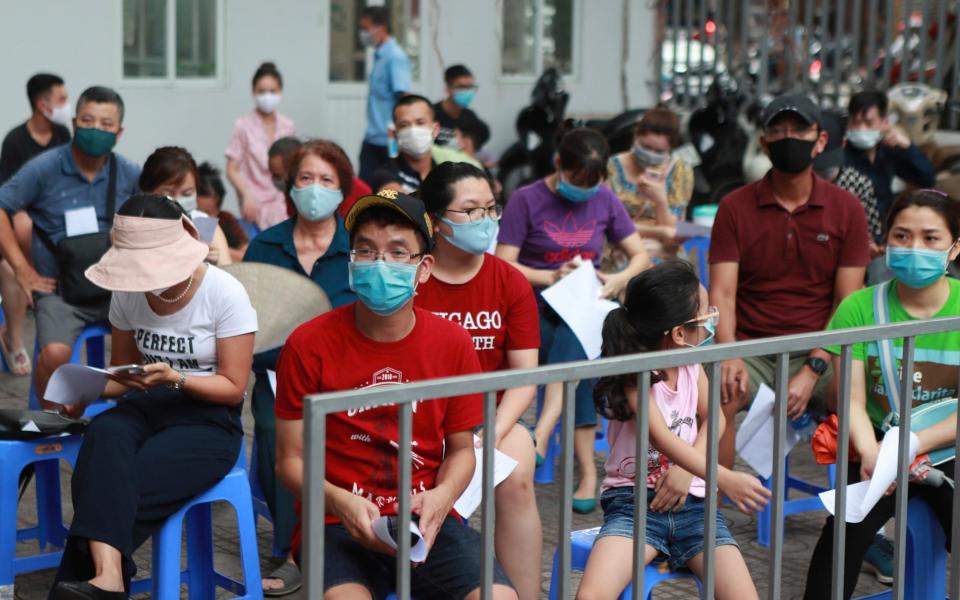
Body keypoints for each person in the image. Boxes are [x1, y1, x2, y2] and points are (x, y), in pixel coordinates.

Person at [274, 189, 517, 600]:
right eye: (366, 251)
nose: (379, 264)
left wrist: (442, 497)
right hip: (334, 523)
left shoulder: (452, 343)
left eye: (398, 252)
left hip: (423, 522)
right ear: (351, 263)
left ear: (424, 268)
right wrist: (337, 501)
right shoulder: (307, 343)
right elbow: (289, 460)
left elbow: (462, 450)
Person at [49, 194, 257, 599]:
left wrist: (177, 378)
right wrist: (85, 388)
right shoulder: (127, 292)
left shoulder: (224, 293)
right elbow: (124, 372)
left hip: (210, 417)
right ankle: (107, 577)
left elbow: (233, 388)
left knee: (113, 482)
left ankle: (97, 583)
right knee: (104, 432)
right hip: (149, 402)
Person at [577, 262, 770, 600]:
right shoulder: (635, 375)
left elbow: (717, 418)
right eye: (706, 312)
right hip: (634, 505)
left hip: (694, 506)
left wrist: (685, 470)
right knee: (590, 596)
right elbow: (660, 438)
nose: (713, 317)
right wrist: (724, 478)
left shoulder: (691, 363)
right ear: (679, 333)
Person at [802, 189, 960, 600]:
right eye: (902, 236)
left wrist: (915, 444)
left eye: (931, 238)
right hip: (877, 446)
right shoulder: (858, 308)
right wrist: (873, 452)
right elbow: (851, 400)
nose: (914, 248)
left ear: (955, 247)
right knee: (842, 539)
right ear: (885, 241)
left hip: (947, 448)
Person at [709, 93, 870, 470]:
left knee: (854, 393)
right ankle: (712, 507)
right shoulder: (734, 206)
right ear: (763, 143)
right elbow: (723, 292)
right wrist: (728, 351)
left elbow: (847, 304)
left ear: (821, 141)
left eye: (799, 129)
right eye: (778, 130)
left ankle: (853, 516)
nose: (789, 137)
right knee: (717, 393)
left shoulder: (847, 209)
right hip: (750, 346)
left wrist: (812, 369)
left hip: (820, 347)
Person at [496, 127, 651, 513]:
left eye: (593, 183)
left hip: (588, 303)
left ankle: (544, 431)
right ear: (558, 165)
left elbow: (640, 257)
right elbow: (503, 263)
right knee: (581, 355)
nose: (586, 190)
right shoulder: (526, 199)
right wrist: (550, 276)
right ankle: (587, 473)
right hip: (538, 304)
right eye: (578, 180)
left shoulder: (605, 199)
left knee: (581, 337)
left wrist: (617, 278)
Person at [415, 163, 541, 600]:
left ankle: (524, 594)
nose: (485, 220)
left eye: (491, 208)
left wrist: (493, 429)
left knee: (518, 475)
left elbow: (525, 377)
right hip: (424, 419)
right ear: (435, 220)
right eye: (470, 210)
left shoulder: (509, 281)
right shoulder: (413, 280)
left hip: (491, 415)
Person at [243, 139, 357, 596]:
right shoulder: (265, 247)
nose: (315, 189)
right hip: (279, 374)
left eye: (326, 180)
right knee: (273, 429)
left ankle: (346, 535)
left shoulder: (358, 247)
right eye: (305, 179)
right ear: (289, 187)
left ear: (342, 189)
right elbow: (248, 328)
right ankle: (296, 550)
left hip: (350, 378)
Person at [0, 86, 140, 402]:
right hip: (61, 292)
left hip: (116, 289)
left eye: (106, 124)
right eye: (88, 120)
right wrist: (21, 268)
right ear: (75, 123)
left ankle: (119, 418)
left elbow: (162, 208)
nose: (96, 130)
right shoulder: (45, 168)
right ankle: (51, 430)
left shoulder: (129, 172)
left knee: (142, 354)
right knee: (54, 355)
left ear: (119, 133)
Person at [0, 73, 72, 376]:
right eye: (62, 100)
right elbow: (10, 200)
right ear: (43, 105)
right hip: (24, 219)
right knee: (23, 227)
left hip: (56, 217)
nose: (68, 106)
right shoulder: (16, 141)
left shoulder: (63, 136)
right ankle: (15, 338)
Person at [606, 107, 694, 260]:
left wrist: (660, 200)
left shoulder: (681, 171)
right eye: (646, 147)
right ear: (635, 136)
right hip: (622, 249)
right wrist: (656, 233)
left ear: (670, 149)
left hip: (665, 252)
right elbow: (610, 226)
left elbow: (674, 231)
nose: (650, 155)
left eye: (659, 152)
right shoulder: (611, 168)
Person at [845, 90, 936, 223]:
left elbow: (927, 179)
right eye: (855, 122)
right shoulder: (841, 152)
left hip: (883, 224)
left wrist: (908, 147)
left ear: (884, 123)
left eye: (868, 123)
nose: (860, 129)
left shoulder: (889, 151)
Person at [226, 62, 296, 232]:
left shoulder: (288, 126)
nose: (267, 96)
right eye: (262, 91)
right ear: (253, 92)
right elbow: (231, 169)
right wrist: (246, 194)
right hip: (254, 203)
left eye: (272, 91)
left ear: (281, 92)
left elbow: (293, 168)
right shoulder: (243, 125)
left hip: (283, 200)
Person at [139, 147, 232, 266]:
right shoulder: (135, 225)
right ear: (147, 191)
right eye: (169, 193)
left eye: (187, 193)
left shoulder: (205, 225)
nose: (178, 201)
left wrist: (214, 265)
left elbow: (229, 275)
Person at [813, 110, 884, 248]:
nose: (823, 170)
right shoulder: (795, 183)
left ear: (844, 142)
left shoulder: (858, 184)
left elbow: (873, 234)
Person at [357, 5, 411, 184]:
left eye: (366, 29)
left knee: (389, 191)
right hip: (373, 137)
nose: (363, 34)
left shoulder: (395, 57)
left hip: (388, 142)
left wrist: (403, 135)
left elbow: (404, 98)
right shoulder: (379, 56)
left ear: (381, 28)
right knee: (365, 190)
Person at [371, 95, 439, 193]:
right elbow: (398, 203)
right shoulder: (384, 175)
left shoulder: (446, 175)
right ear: (394, 134)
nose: (412, 131)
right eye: (404, 125)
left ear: (435, 129)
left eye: (420, 123)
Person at [196, 162, 249, 262]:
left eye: (211, 213)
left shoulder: (225, 219)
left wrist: (221, 250)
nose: (208, 220)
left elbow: (246, 255)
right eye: (203, 213)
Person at [433, 64, 490, 150]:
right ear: (448, 89)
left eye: (470, 87)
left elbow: (484, 134)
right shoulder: (432, 114)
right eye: (462, 87)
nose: (467, 92)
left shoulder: (471, 117)